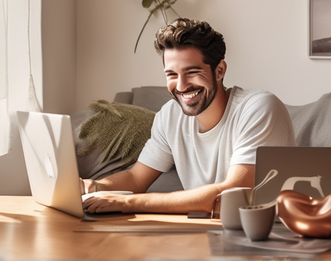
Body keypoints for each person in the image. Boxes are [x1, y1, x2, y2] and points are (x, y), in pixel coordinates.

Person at [81, 18, 296, 214]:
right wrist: (94, 187)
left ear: (219, 70)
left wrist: (128, 202)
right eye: (172, 74)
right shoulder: (170, 116)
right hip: (203, 232)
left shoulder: (258, 108)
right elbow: (136, 178)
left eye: (192, 72)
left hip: (269, 239)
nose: (181, 86)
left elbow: (233, 196)